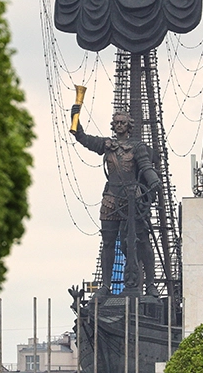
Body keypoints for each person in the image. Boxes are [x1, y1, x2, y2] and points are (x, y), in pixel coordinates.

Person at [70, 108, 161, 296]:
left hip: (133, 198)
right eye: (117, 122)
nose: (119, 125)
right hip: (111, 198)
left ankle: (150, 284)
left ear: (129, 126)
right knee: (108, 242)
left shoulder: (137, 147)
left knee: (142, 240)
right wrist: (75, 117)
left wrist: (154, 181)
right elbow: (82, 138)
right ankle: (105, 285)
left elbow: (145, 167)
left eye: (123, 122)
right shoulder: (106, 145)